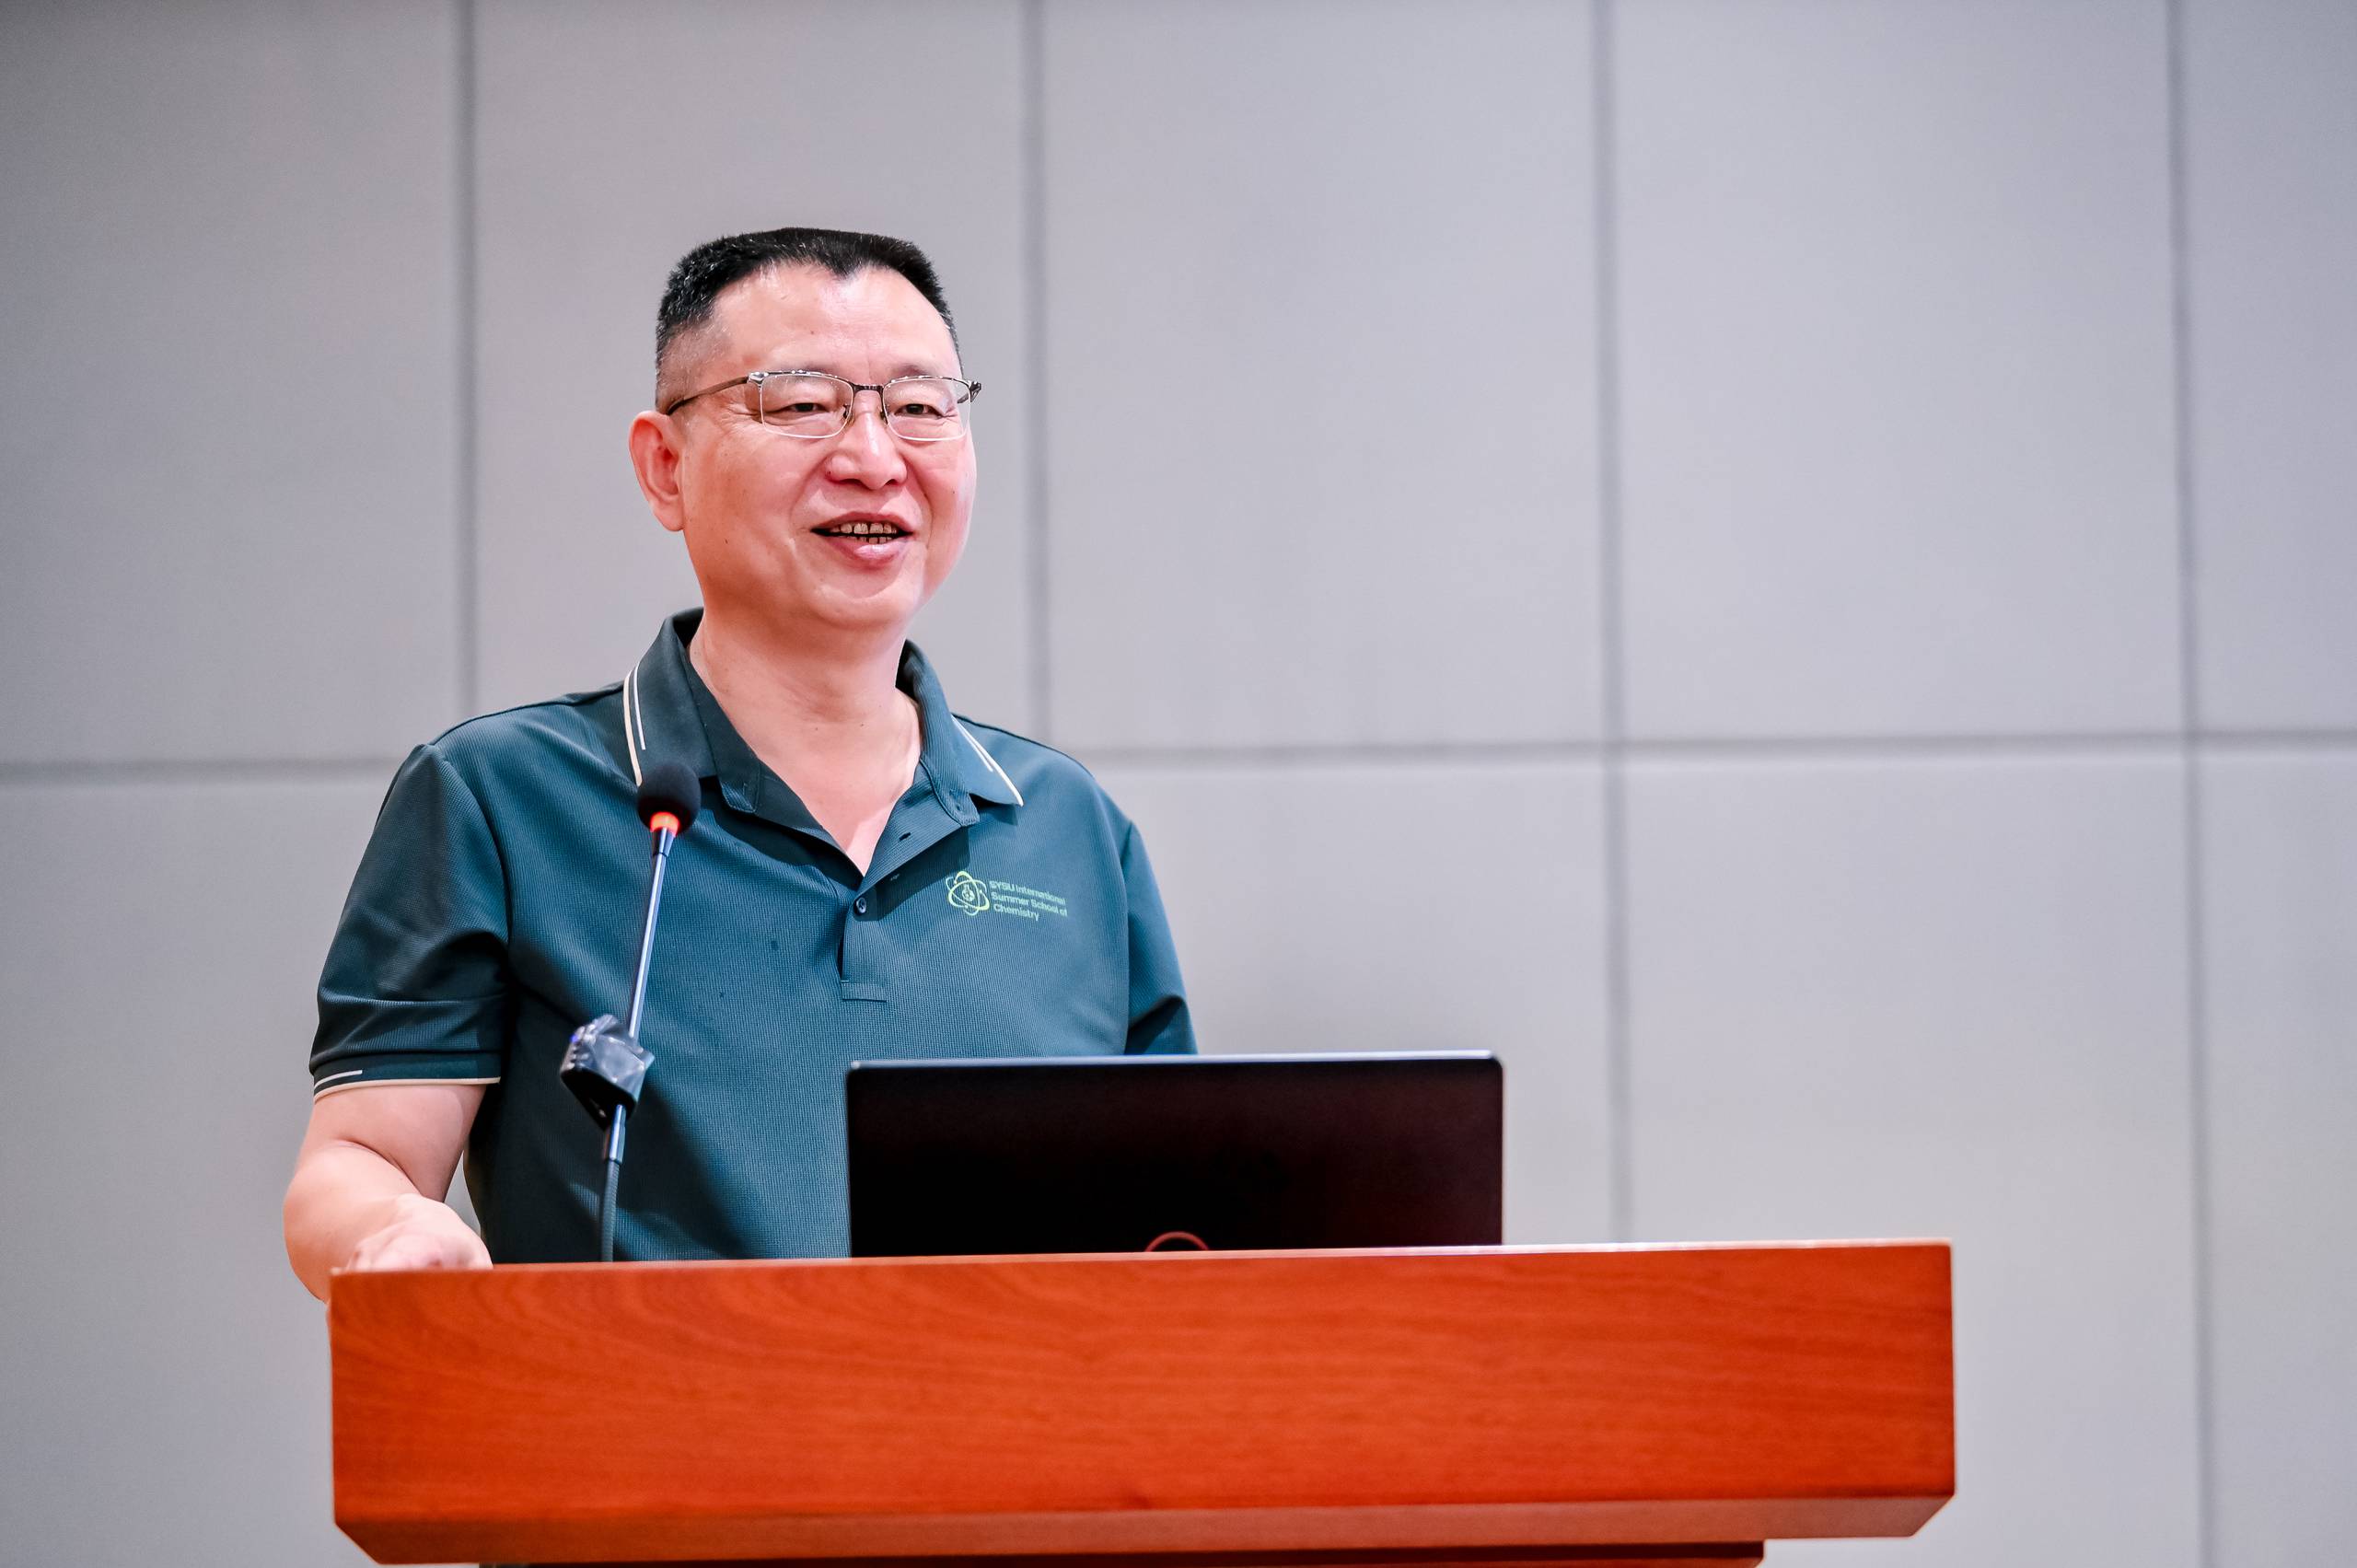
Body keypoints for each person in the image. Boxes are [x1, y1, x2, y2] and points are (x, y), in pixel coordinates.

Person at [283, 227, 1193, 1298]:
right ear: (664, 466)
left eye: (918, 406)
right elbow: (363, 1158)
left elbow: (1175, 1217)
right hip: (635, 1410)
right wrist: (394, 1230)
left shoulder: (1065, 824)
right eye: (804, 403)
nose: (873, 457)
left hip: (1004, 1412)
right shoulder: (499, 798)